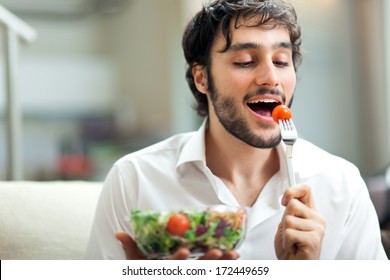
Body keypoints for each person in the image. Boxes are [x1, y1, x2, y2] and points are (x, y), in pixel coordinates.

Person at [85, 0, 388, 260]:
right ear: (202, 78)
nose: (271, 77)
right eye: (245, 61)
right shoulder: (135, 179)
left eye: (281, 61)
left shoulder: (341, 184)